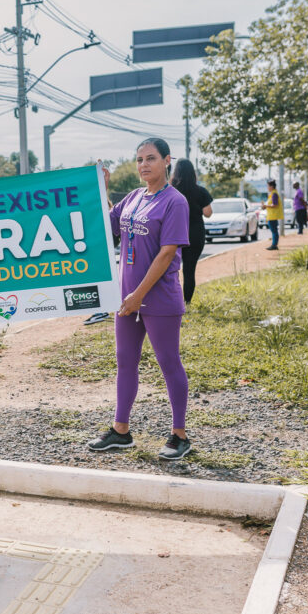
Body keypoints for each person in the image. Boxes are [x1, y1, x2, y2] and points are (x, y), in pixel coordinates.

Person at [88, 137, 193, 461]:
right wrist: (101, 190)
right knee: (125, 362)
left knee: (168, 362)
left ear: (166, 161)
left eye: (150, 158)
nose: (143, 165)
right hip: (127, 299)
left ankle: (179, 435)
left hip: (158, 298)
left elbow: (166, 253)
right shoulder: (133, 198)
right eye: (139, 160)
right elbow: (108, 227)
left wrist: (138, 295)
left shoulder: (175, 202)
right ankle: (121, 431)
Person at [170, 159, 212, 304]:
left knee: (169, 270)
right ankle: (186, 302)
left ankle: (171, 301)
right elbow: (208, 213)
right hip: (195, 236)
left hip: (173, 235)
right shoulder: (200, 191)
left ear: (176, 173)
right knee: (189, 271)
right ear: (193, 173)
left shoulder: (170, 191)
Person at [261, 180, 283, 250]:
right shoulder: (272, 194)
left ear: (272, 186)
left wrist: (266, 206)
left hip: (273, 216)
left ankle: (274, 245)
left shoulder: (274, 194)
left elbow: (275, 204)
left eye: (268, 186)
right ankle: (274, 244)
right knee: (274, 231)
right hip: (271, 216)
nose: (267, 188)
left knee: (274, 231)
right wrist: (265, 206)